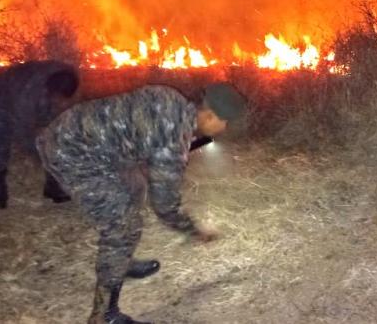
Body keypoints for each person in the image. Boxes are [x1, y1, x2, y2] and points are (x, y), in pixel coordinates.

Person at [36, 82, 246, 324]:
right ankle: (105, 315)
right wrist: (195, 231)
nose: (224, 128)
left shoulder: (171, 97)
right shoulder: (173, 139)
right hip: (71, 153)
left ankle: (121, 263)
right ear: (210, 116)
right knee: (122, 225)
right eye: (225, 122)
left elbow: (137, 134)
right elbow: (165, 206)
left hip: (77, 135)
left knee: (135, 185)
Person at [0, 60, 79, 208]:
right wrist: (39, 150)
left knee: (53, 138)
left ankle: (52, 187)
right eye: (58, 98)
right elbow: (24, 133)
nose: (61, 102)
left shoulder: (67, 74)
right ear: (51, 92)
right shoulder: (25, 97)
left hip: (39, 94)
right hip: (3, 99)